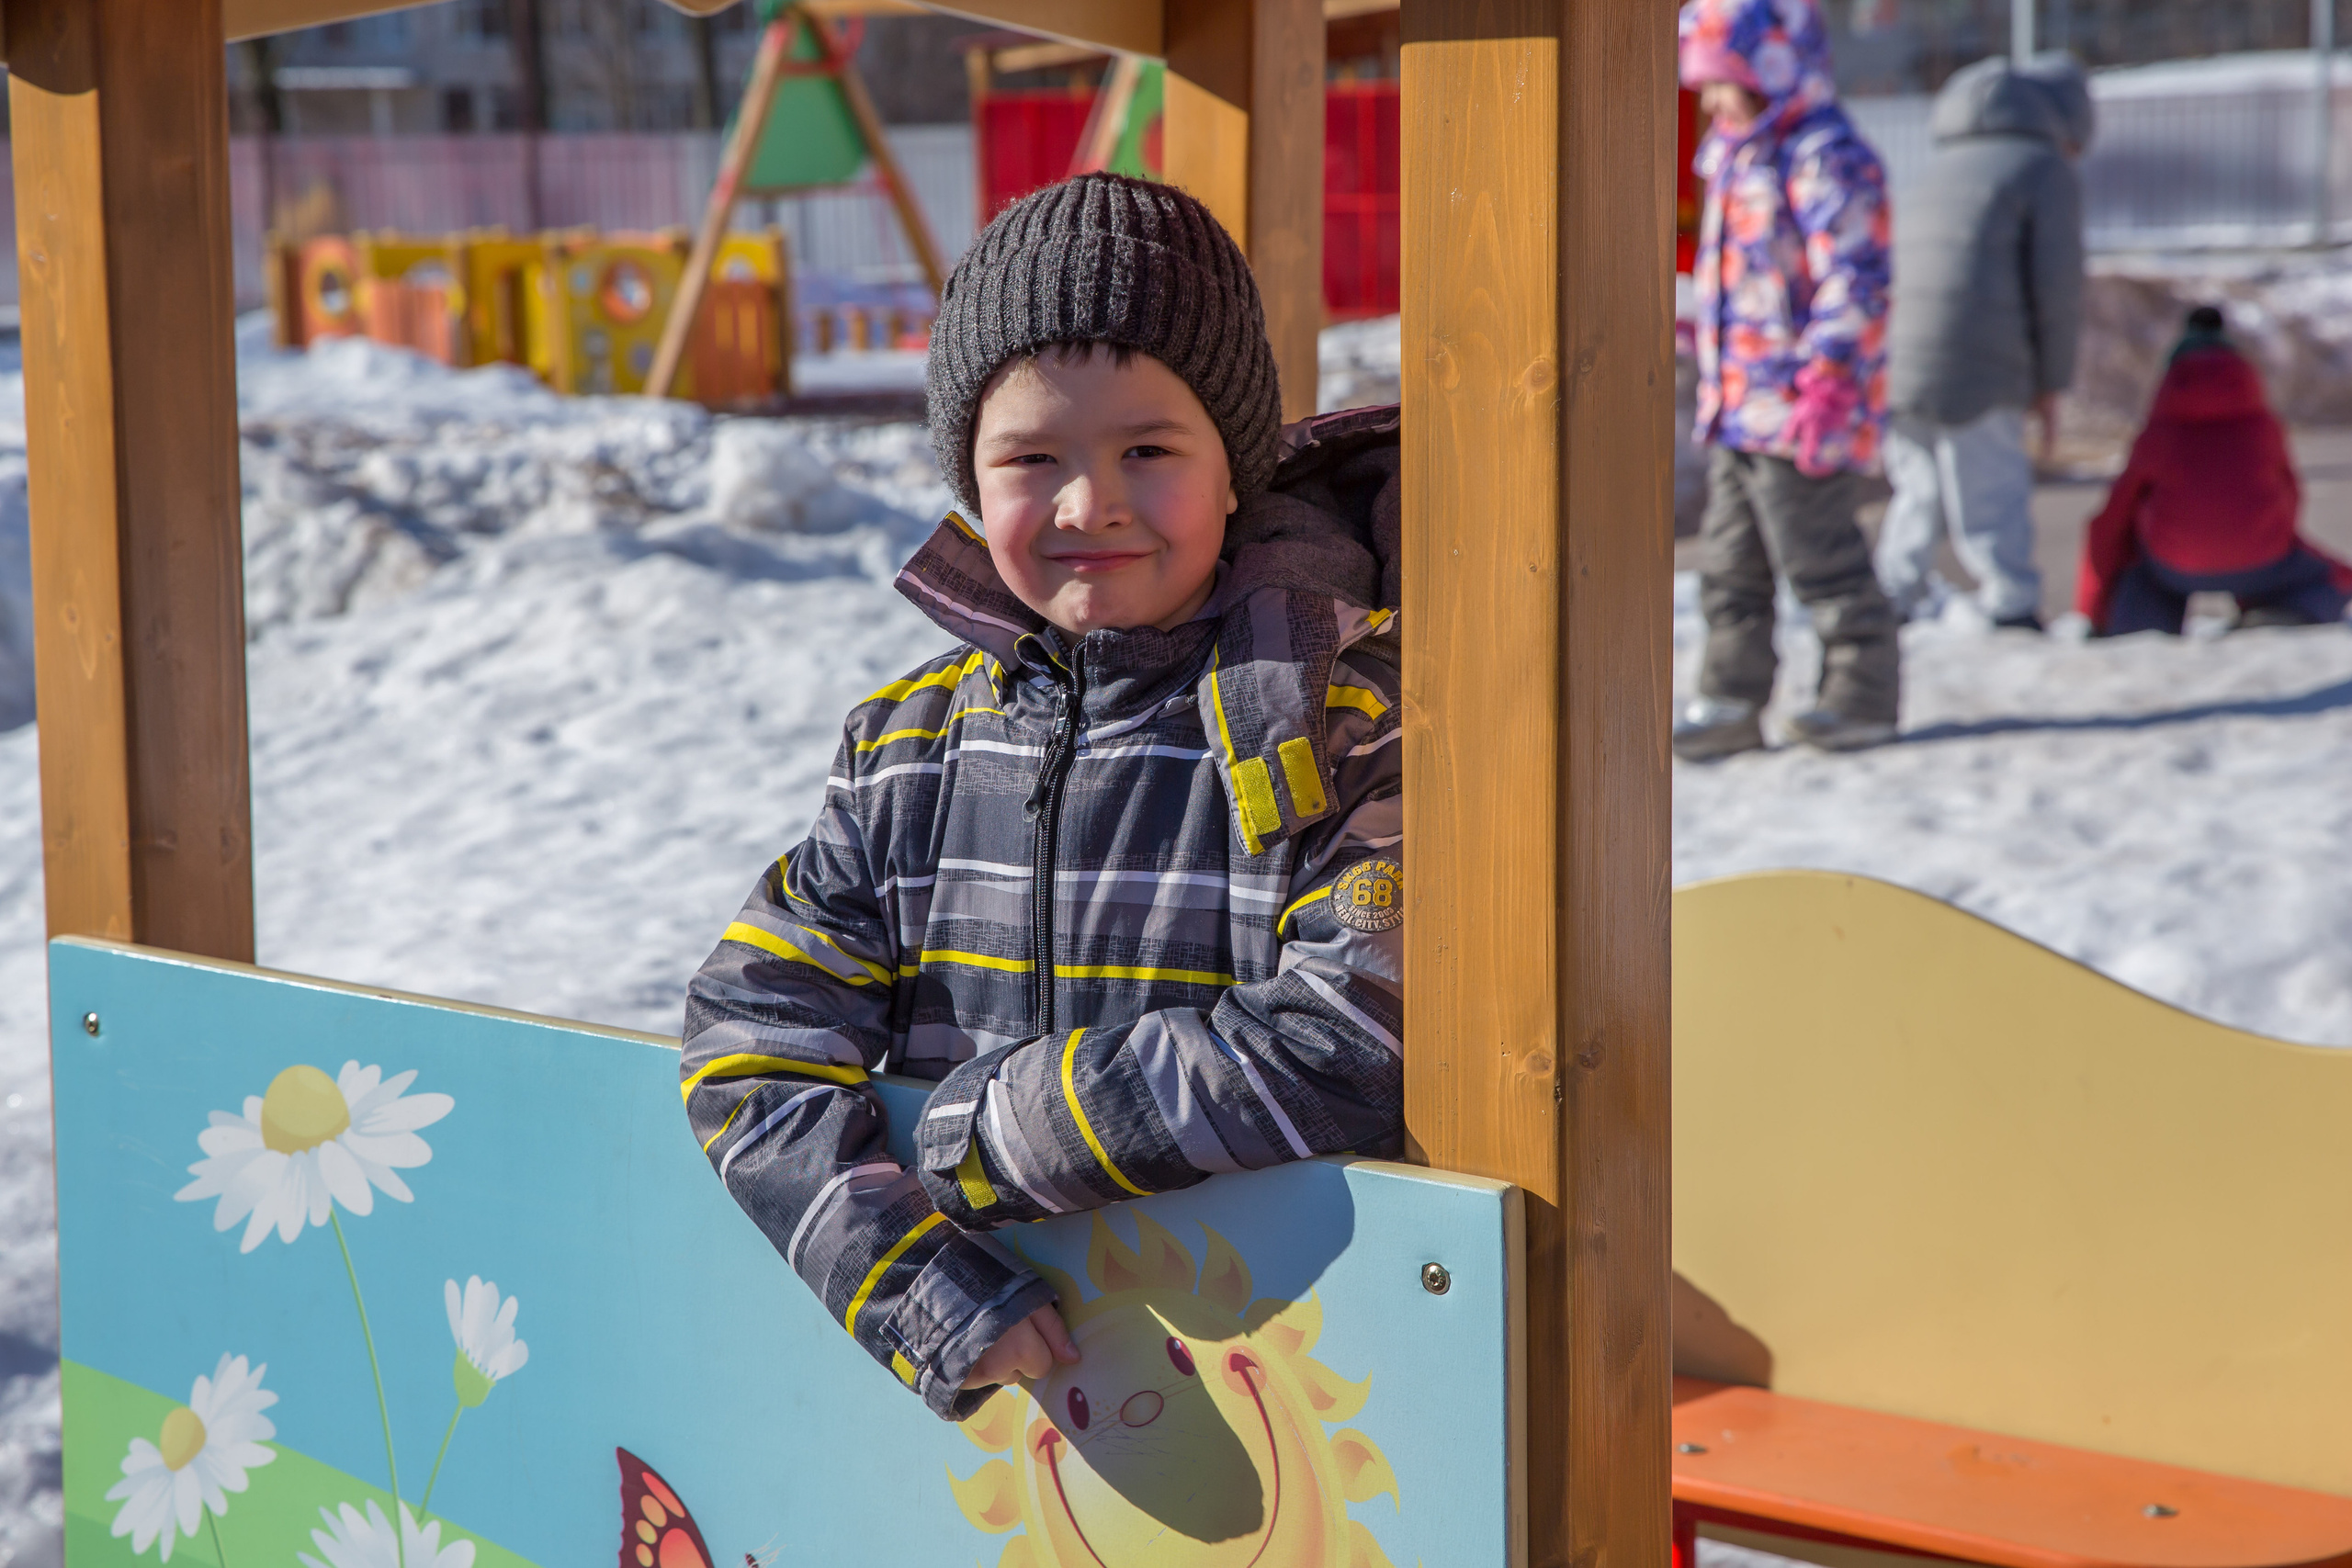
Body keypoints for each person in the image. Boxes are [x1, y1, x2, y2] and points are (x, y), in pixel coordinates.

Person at [679, 174, 1407, 1419]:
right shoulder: (907, 745)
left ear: (1237, 466)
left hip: (1294, 1405)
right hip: (981, 1447)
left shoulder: (1329, 713)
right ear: (969, 472)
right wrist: (915, 1280)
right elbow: (751, 1036)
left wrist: (1012, 1129)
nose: (1089, 503)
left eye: (1147, 449)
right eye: (1032, 457)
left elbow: (1367, 1025)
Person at [1672, 0, 1900, 761]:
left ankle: (1861, 692)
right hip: (1738, 407)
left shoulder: (1823, 155)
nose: (1708, 101)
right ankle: (1729, 697)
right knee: (1728, 565)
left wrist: (1831, 369)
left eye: (1722, 83)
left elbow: (1857, 276)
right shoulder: (1735, 155)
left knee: (1820, 558)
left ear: (1775, 75)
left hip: (1802, 406)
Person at [1877, 52, 2093, 631]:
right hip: (1978, 359)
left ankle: (1892, 595)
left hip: (1900, 358)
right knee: (1990, 485)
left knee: (1917, 486)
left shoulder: (1942, 163)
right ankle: (2011, 603)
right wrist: (2050, 383)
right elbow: (2056, 287)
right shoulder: (2042, 168)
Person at [2077, 306, 2352, 637]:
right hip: (2262, 558)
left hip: (2171, 564)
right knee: (2335, 579)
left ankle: (2141, 626)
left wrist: (2094, 611)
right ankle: (2284, 613)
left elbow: (2114, 518)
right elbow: (2289, 494)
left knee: (2139, 570)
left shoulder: (2160, 433)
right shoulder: (2264, 428)